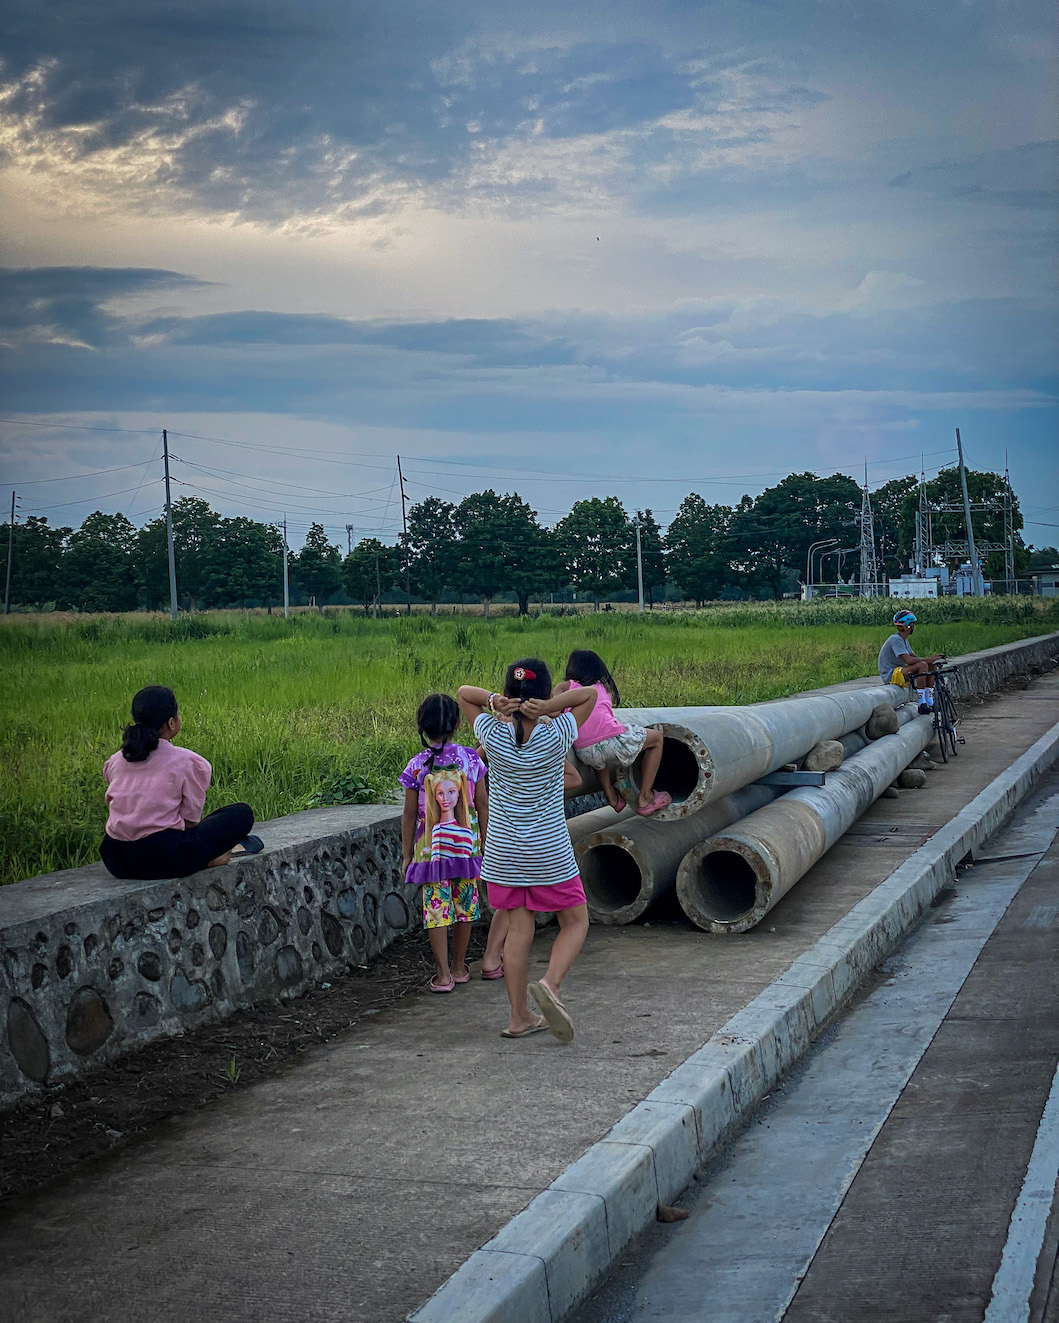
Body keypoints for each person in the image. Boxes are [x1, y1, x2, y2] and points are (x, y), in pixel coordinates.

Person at [458, 660, 598, 1043]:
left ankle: (519, 1017)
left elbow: (463, 694)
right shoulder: (557, 734)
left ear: (508, 694)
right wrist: (550, 707)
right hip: (548, 850)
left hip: (502, 853)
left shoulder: (490, 731)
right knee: (576, 922)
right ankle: (551, 984)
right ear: (543, 695)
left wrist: (493, 702)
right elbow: (589, 694)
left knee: (518, 930)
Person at [100, 686, 260, 881]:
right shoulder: (188, 762)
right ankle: (209, 859)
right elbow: (190, 822)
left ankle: (205, 855)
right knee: (241, 813)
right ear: (171, 722)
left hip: (116, 859)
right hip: (166, 858)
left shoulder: (117, 761)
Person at [400, 693, 502, 992]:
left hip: (430, 853)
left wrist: (407, 854)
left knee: (437, 910)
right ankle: (459, 966)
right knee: (465, 906)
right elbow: (483, 804)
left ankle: (443, 975)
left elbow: (408, 815)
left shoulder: (416, 766)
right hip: (467, 849)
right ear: (458, 723)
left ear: (422, 726)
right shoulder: (471, 758)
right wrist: (485, 842)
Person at [554, 649, 671, 817]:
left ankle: (612, 797)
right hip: (611, 742)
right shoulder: (602, 687)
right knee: (657, 739)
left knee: (599, 758)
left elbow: (553, 710)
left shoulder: (564, 687)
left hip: (584, 751)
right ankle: (645, 797)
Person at [878, 610, 945, 714]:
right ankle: (921, 703)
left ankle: (929, 701)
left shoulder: (903, 640)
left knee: (930, 664)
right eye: (912, 624)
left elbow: (913, 657)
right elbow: (909, 660)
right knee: (922, 665)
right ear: (909, 626)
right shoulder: (896, 639)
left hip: (899, 670)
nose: (913, 626)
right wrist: (927, 660)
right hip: (891, 674)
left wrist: (932, 659)